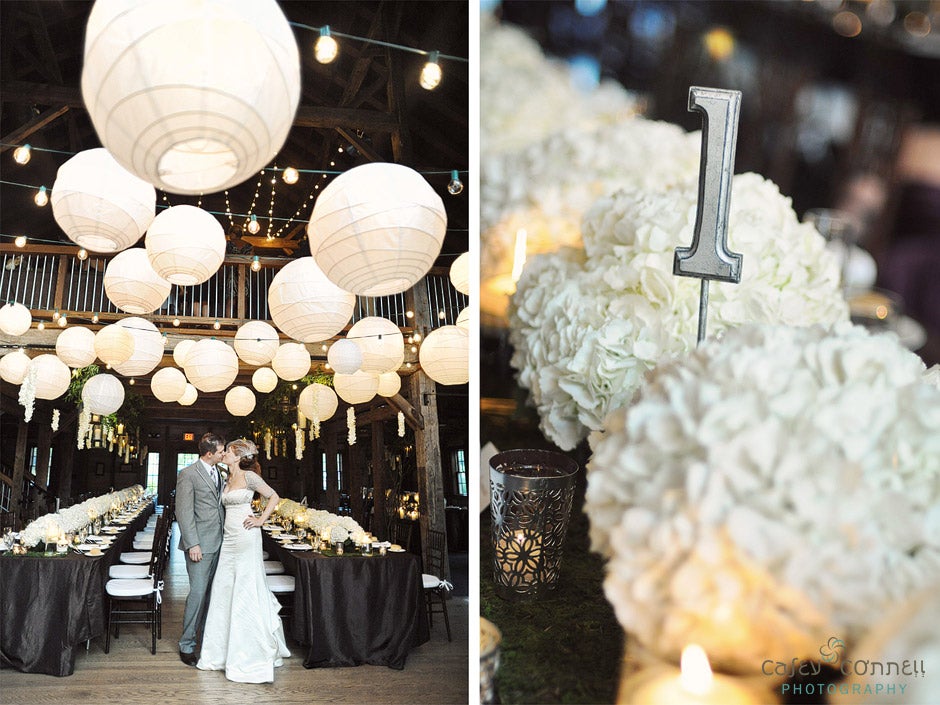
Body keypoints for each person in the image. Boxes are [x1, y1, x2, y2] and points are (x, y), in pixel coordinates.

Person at [197, 438, 290, 683]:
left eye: (228, 451)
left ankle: (249, 655)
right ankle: (219, 654)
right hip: (228, 539)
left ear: (238, 457)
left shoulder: (249, 477)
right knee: (224, 588)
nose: (224, 453)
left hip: (247, 536)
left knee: (245, 590)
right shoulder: (226, 477)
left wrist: (261, 520)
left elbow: (274, 496)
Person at [175, 432, 227, 666]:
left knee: (212, 595)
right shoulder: (188, 474)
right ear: (209, 453)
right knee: (197, 595)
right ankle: (187, 645)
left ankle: (207, 639)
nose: (223, 454)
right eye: (221, 451)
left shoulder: (221, 472)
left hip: (221, 542)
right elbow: (183, 512)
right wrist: (192, 543)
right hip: (200, 545)